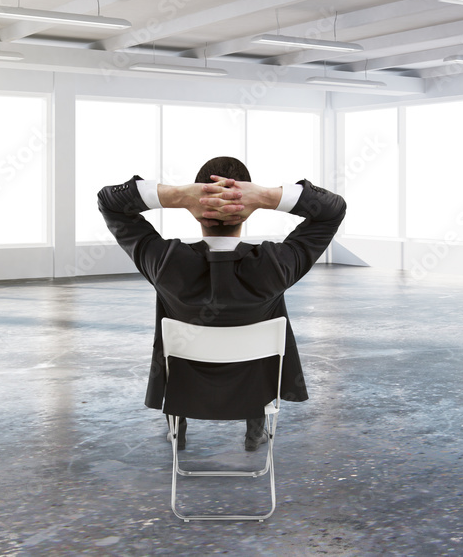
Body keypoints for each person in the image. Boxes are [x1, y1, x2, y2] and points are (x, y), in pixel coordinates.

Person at [97, 156, 346, 450]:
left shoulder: (165, 264)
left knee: (179, 343)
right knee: (258, 331)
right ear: (248, 211)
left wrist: (178, 196)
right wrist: (267, 197)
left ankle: (177, 428)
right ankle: (255, 429)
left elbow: (109, 201)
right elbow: (333, 210)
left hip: (186, 384)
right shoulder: (275, 266)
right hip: (254, 380)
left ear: (196, 210)